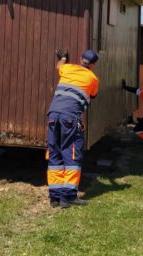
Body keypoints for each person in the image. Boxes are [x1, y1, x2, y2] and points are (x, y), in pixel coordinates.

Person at [46, 48, 99, 209]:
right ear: (94, 65)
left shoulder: (67, 68)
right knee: (72, 155)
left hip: (53, 116)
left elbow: (59, 66)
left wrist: (63, 58)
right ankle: (68, 197)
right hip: (70, 118)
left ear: (81, 58)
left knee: (54, 153)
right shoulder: (92, 78)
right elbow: (94, 95)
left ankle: (54, 197)